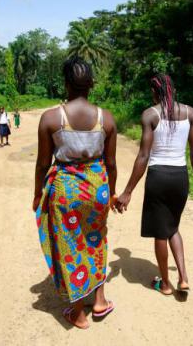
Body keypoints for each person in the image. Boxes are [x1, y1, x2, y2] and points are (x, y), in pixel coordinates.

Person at [33, 57, 118, 329]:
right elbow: (112, 164)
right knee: (97, 240)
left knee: (71, 246)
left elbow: (43, 163)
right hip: (98, 189)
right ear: (91, 83)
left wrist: (37, 193)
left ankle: (79, 313)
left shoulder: (51, 118)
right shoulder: (106, 118)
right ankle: (100, 301)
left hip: (66, 189)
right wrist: (112, 193)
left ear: (66, 83)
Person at [116, 74, 193, 296]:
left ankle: (165, 284)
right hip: (180, 177)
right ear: (173, 90)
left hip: (158, 177)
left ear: (154, 92)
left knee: (160, 231)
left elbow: (143, 155)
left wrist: (127, 191)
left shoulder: (150, 114)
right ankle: (183, 278)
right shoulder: (190, 112)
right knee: (173, 226)